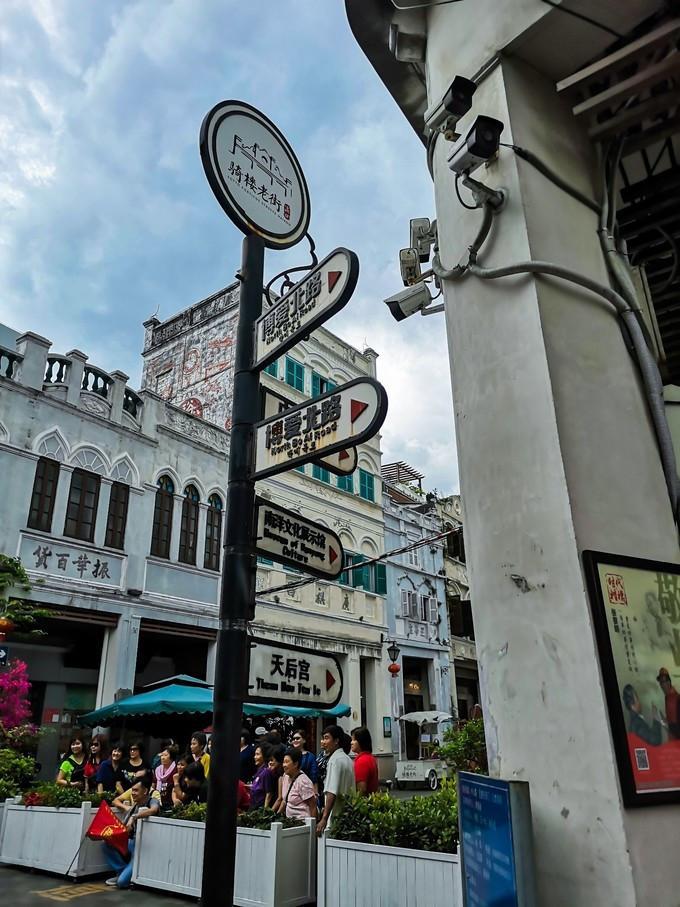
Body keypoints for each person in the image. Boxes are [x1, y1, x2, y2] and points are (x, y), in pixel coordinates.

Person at [104, 776, 159, 889]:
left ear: (145, 791)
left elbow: (154, 810)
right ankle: (122, 870)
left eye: (136, 790)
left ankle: (124, 876)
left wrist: (135, 817)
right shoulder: (134, 806)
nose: (133, 793)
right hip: (131, 843)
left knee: (122, 883)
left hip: (144, 848)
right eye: (132, 790)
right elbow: (123, 828)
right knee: (106, 844)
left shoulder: (152, 800)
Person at [316, 726, 355, 837]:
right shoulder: (347, 759)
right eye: (323, 738)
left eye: (326, 738)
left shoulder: (334, 761)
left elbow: (331, 792)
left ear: (336, 741)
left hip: (334, 818)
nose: (323, 742)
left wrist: (324, 818)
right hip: (346, 817)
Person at [278, 748, 317, 820]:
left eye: (287, 762)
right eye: (283, 762)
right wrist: (276, 817)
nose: (284, 765)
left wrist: (312, 828)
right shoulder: (285, 776)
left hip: (302, 823)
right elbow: (284, 801)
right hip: (290, 822)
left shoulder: (303, 781)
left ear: (295, 764)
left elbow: (313, 805)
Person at [351, 726, 379, 795]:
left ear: (361, 741)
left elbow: (361, 789)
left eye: (354, 740)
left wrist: (355, 803)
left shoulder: (362, 761)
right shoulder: (369, 757)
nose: (351, 742)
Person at [249, 743, 277, 810]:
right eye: (255, 754)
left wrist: (264, 812)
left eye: (257, 754)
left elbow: (269, 793)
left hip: (260, 809)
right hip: (254, 805)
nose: (255, 757)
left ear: (264, 756)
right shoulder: (260, 770)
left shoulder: (266, 772)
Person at [657, 667, 680, 739]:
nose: (661, 685)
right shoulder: (668, 696)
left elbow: (674, 727)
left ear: (669, 682)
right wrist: (663, 719)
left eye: (663, 681)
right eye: (660, 682)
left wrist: (662, 721)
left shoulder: (672, 698)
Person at [268, 745, 286, 813]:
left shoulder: (282, 776)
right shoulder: (276, 773)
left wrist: (270, 813)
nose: (270, 762)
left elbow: (280, 798)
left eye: (272, 760)